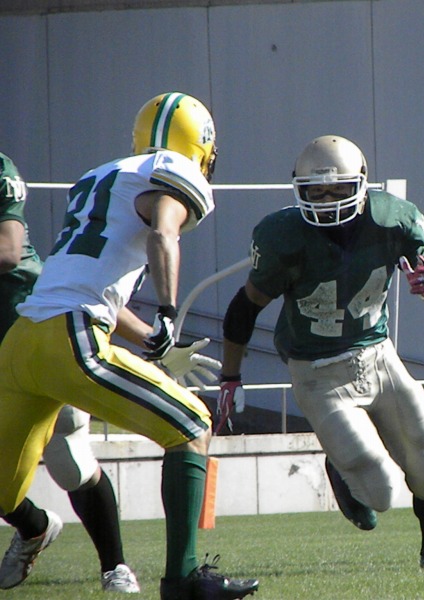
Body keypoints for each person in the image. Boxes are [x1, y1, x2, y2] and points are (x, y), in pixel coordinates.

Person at [0, 93, 259, 600]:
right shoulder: (172, 172)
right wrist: (167, 313)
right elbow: (164, 232)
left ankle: (39, 531)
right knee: (192, 424)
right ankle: (184, 580)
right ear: (200, 146)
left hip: (20, 343)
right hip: (71, 338)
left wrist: (151, 341)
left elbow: (89, 283)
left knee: (5, 490)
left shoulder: (98, 177)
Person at [216, 135, 424, 568]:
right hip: (318, 370)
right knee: (380, 491)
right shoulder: (283, 236)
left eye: (338, 189)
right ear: (299, 189)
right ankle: (343, 467)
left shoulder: (394, 220)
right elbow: (244, 308)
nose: (328, 201)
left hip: (378, 355)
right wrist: (230, 376)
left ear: (362, 184)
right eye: (317, 191)